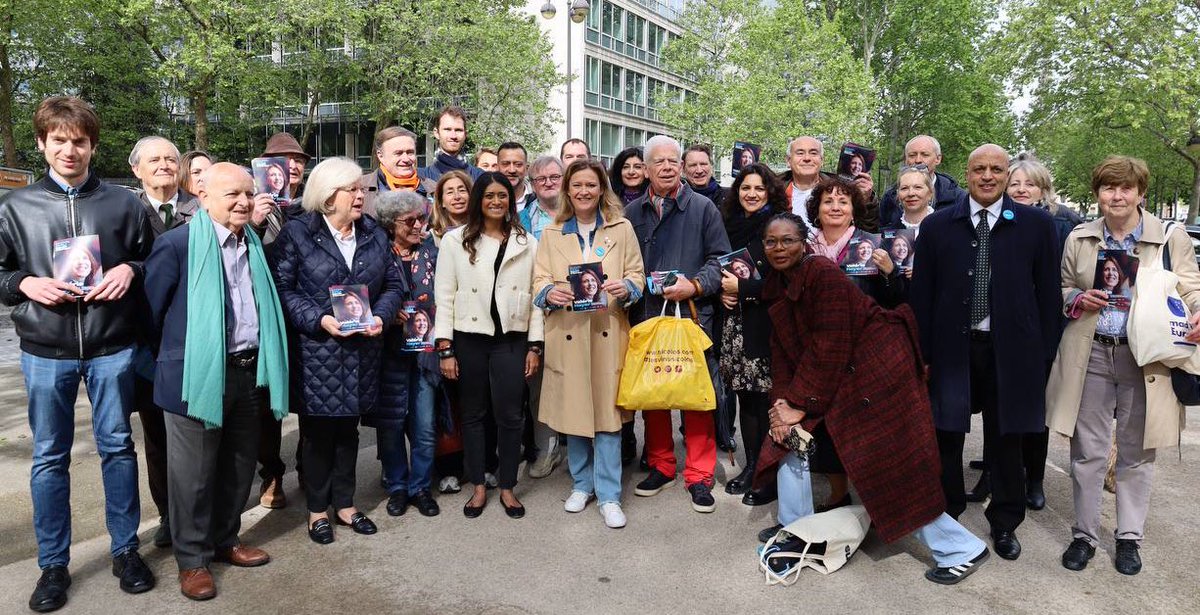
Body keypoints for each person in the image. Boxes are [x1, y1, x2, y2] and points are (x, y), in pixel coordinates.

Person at [755, 212, 991, 586]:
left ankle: (961, 549)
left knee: (891, 468)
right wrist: (781, 408)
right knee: (787, 440)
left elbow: (829, 346)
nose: (779, 248)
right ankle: (797, 531)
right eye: (771, 241)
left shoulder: (823, 275)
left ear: (806, 243)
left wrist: (798, 404)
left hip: (877, 372)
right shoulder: (777, 283)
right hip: (838, 374)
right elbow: (783, 353)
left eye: (788, 240)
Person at [0, 96, 155, 612]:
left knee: (116, 448)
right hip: (46, 350)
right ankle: (53, 564)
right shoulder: (14, 207)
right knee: (49, 457)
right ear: (42, 143)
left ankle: (126, 550)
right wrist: (24, 283)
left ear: (93, 145)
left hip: (112, 346)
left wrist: (130, 270)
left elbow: (153, 259)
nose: (70, 150)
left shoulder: (124, 204)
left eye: (80, 141)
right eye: (59, 140)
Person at [1046, 155, 1200, 576]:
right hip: (1092, 352)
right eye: (1109, 188)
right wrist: (1077, 299)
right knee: (1087, 451)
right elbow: (1062, 286)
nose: (1117, 195)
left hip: (1145, 357)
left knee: (1136, 452)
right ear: (1098, 194)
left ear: (1140, 193)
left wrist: (1198, 311)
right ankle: (1085, 535)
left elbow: (1190, 288)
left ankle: (1129, 537)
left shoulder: (1170, 237)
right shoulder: (1079, 236)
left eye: (1125, 188)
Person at [143, 162, 288, 601]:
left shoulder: (255, 245)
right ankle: (192, 561)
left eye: (248, 193)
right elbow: (149, 316)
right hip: (196, 377)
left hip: (248, 371)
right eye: (232, 195)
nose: (244, 202)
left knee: (238, 466)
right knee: (192, 477)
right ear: (202, 196)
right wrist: (173, 365)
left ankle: (226, 541)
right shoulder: (176, 245)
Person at [909, 144, 1060, 562]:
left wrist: (1045, 354)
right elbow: (922, 296)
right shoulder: (939, 226)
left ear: (1007, 173)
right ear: (967, 173)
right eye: (980, 169)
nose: (988, 176)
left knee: (1006, 438)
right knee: (947, 434)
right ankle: (948, 512)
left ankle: (1005, 521)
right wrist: (921, 352)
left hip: (1012, 353)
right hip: (952, 349)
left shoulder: (1036, 225)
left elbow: (1048, 294)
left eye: (997, 169)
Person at [271, 156, 404, 544]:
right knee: (316, 435)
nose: (360, 196)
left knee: (348, 431)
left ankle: (345, 505)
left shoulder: (375, 234)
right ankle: (316, 511)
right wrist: (318, 319)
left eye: (361, 189)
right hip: (317, 352)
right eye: (352, 189)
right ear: (329, 196)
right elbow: (283, 289)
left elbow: (394, 285)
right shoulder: (297, 234)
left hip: (363, 350)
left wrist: (381, 315)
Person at [533, 159, 645, 528]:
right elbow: (538, 285)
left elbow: (636, 275)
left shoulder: (621, 228)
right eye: (577, 185)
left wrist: (626, 289)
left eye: (591, 185)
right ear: (567, 190)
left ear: (601, 190)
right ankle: (582, 484)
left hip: (608, 330)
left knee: (608, 418)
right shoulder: (552, 234)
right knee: (574, 413)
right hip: (568, 332)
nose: (584, 191)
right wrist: (552, 292)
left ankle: (609, 494)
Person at [625, 135, 732, 514]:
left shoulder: (703, 208)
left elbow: (722, 260)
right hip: (648, 315)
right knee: (655, 394)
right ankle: (661, 465)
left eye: (673, 161)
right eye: (659, 162)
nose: (667, 167)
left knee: (694, 395)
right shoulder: (631, 213)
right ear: (646, 168)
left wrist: (697, 284)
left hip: (690, 316)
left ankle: (700, 475)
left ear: (682, 166)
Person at [433, 172, 543, 519]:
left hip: (512, 339)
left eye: (502, 196)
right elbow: (445, 296)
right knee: (474, 415)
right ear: (479, 200)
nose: (496, 202)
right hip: (469, 339)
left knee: (511, 415)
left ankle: (508, 486)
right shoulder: (455, 240)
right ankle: (479, 485)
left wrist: (535, 346)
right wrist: (445, 347)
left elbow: (536, 298)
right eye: (489, 196)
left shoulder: (527, 242)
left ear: (511, 200)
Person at [129, 135, 199, 547]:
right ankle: (169, 515)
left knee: (200, 434)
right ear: (136, 168)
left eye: (171, 159)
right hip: (144, 341)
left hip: (196, 340)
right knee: (156, 436)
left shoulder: (202, 208)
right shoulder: (125, 210)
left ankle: (200, 512)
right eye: (153, 160)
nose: (164, 165)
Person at [367, 190, 442, 519]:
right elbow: (361, 296)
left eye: (421, 218)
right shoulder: (376, 255)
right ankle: (397, 486)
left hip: (425, 352)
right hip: (389, 352)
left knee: (424, 425)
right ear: (389, 223)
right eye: (409, 220)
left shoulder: (431, 252)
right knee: (392, 425)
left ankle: (420, 486)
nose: (417, 225)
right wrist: (386, 310)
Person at [249, 131, 312, 510]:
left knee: (309, 395)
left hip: (305, 314)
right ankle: (271, 473)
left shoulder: (312, 206)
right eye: (283, 160)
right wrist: (257, 219)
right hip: (266, 316)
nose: (292, 166)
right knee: (267, 404)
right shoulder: (252, 203)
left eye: (299, 161)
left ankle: (309, 465)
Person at [717, 163, 786, 506]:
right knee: (746, 400)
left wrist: (742, 288)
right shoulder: (727, 225)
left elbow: (784, 281)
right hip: (735, 326)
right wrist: (723, 291)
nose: (752, 194)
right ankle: (751, 466)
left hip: (767, 324)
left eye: (759, 188)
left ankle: (768, 472)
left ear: (770, 192)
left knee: (767, 402)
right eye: (746, 188)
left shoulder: (779, 228)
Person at [781, 136, 875, 231]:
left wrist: (866, 201)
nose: (807, 158)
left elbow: (869, 229)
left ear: (822, 161)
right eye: (800, 153)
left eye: (813, 153)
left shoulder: (844, 188)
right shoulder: (772, 190)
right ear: (788, 161)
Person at [879, 135, 966, 227]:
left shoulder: (958, 198)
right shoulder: (890, 197)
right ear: (905, 159)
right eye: (912, 155)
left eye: (925, 155)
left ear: (938, 159)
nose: (918, 160)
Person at [361, 126, 424, 218]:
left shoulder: (433, 189)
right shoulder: (360, 188)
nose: (406, 159)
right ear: (380, 156)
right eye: (398, 153)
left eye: (410, 152)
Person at [417, 105, 485, 184]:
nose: (453, 136)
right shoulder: (421, 178)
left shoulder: (480, 177)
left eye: (458, 130)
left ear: (465, 134)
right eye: (447, 129)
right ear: (436, 133)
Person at [520, 156, 564, 240]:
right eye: (541, 179)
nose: (548, 183)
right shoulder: (520, 220)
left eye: (554, 177)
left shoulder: (580, 212)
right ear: (532, 186)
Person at [430, 170, 473, 244]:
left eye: (462, 190)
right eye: (450, 192)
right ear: (441, 201)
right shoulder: (433, 238)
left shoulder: (484, 232)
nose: (457, 197)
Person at [497, 142, 535, 212]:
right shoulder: (486, 200)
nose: (512, 170)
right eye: (505, 164)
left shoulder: (538, 198)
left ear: (527, 169)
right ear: (497, 168)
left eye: (518, 164)